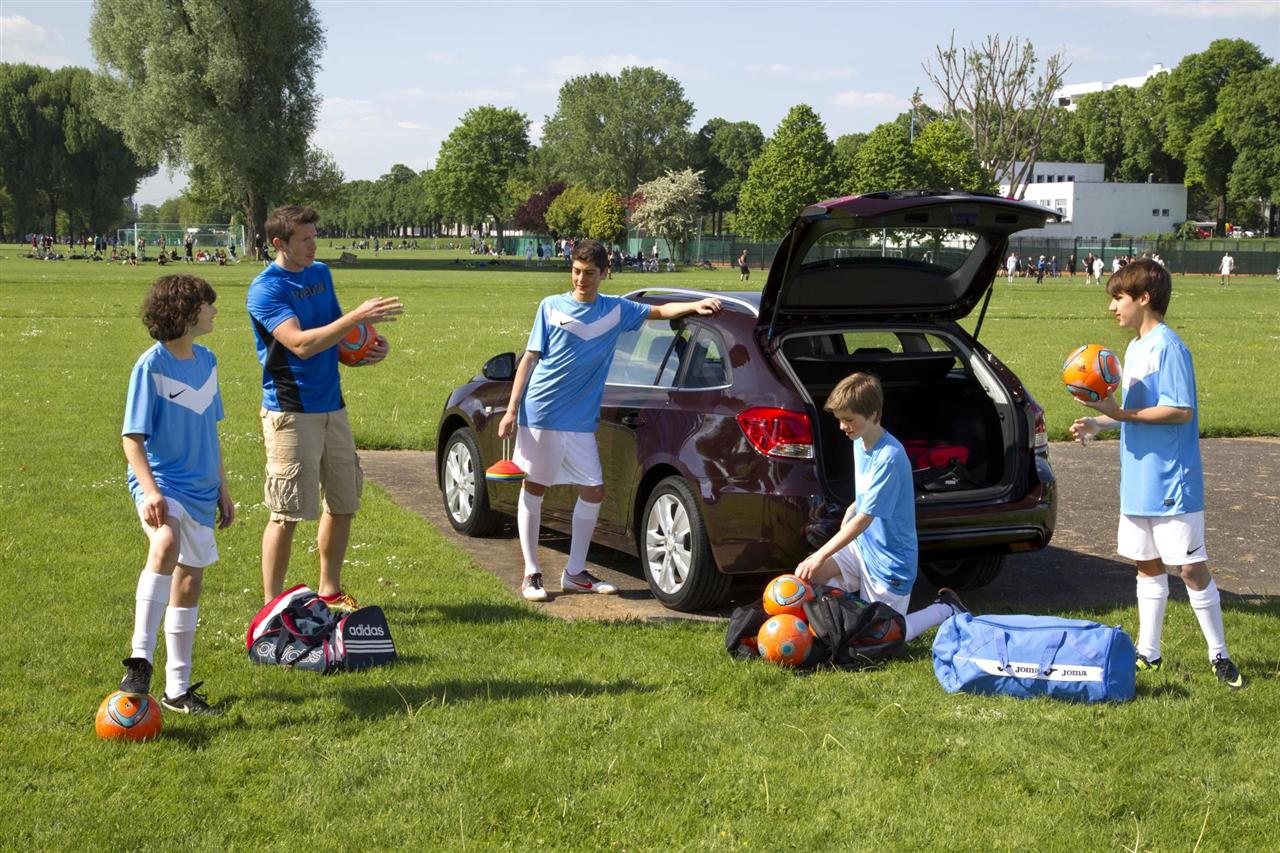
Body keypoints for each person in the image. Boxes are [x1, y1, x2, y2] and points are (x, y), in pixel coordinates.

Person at [497, 239, 722, 601]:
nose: (580, 279)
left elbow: (661, 313)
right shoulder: (550, 307)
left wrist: (696, 305)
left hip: (581, 420)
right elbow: (529, 359)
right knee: (536, 486)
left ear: (605, 273)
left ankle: (574, 572)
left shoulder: (616, 310)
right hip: (541, 411)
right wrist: (511, 410)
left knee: (594, 489)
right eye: (575, 271)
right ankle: (531, 574)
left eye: (588, 273)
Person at [1070, 260, 1244, 689]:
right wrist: (1102, 424)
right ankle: (1150, 652)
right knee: (1145, 566)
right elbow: (1138, 409)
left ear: (1143, 298)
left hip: (1171, 481)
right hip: (1138, 479)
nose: (1112, 307)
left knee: (1188, 569)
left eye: (1119, 298)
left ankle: (1218, 654)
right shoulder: (1133, 349)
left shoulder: (1169, 348)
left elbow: (1179, 411)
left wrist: (1122, 412)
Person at [246, 205, 403, 611]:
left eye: (315, 236)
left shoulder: (320, 274)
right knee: (287, 512)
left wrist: (368, 344)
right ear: (280, 244)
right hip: (291, 410)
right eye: (305, 239)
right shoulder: (266, 289)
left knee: (344, 500)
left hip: (333, 405)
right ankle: (272, 607)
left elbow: (337, 331)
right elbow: (300, 343)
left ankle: (329, 590)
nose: (314, 245)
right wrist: (357, 314)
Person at [117, 274, 234, 715]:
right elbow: (132, 438)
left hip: (203, 490)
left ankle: (177, 691)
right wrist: (149, 491)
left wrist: (224, 489)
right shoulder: (151, 366)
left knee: (189, 580)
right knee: (165, 543)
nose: (215, 311)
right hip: (163, 485)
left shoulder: (208, 361)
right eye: (209, 304)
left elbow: (211, 432)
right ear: (186, 312)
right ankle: (140, 660)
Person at [794, 372, 966, 640]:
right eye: (840, 419)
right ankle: (828, 624)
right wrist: (851, 509)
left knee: (881, 636)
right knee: (807, 575)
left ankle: (945, 609)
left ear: (873, 414)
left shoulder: (890, 457)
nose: (842, 426)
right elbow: (867, 497)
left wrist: (821, 553)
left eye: (849, 419)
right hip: (864, 549)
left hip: (890, 565)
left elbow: (865, 519)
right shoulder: (860, 441)